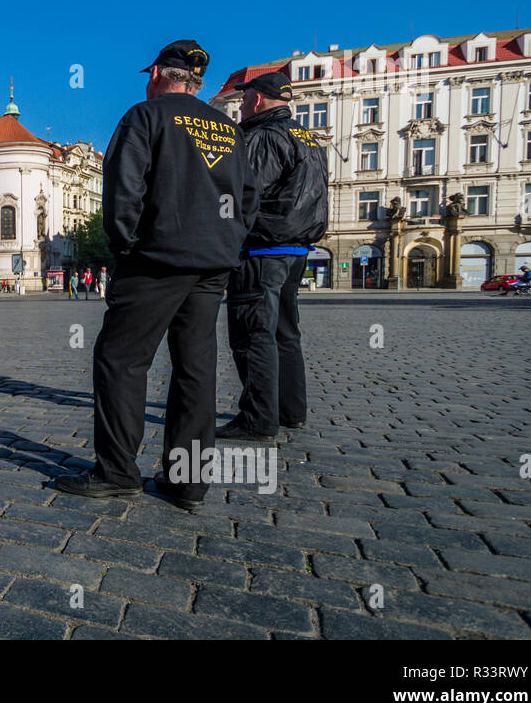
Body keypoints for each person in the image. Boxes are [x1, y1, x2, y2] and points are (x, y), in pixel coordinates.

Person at [55, 39, 258, 510]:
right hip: (212, 265)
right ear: (196, 81)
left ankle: (117, 471)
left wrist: (127, 248)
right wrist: (226, 244)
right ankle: (187, 482)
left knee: (122, 360)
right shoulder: (228, 129)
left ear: (157, 76)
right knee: (195, 369)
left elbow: (122, 192)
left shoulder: (144, 117)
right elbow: (249, 199)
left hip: (156, 260)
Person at [218, 71, 329, 443]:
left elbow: (244, 193)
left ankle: (257, 418)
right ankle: (291, 411)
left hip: (264, 245)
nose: (242, 104)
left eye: (244, 98)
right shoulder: (307, 136)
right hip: (296, 247)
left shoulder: (262, 136)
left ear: (259, 99)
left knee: (253, 334)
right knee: (285, 332)